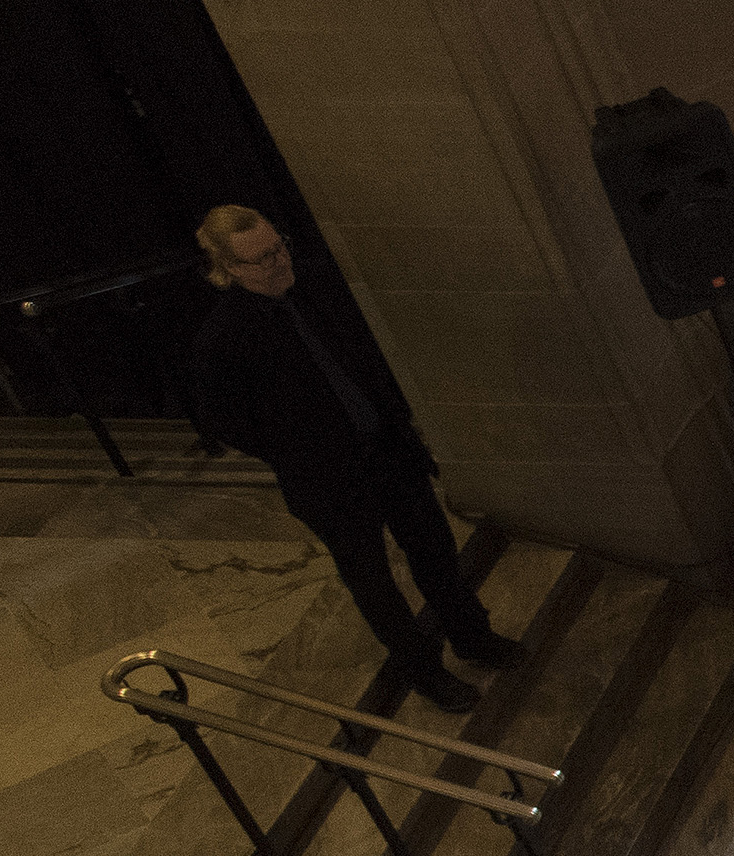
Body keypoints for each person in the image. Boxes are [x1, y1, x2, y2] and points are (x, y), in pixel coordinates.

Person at [180, 203, 516, 711]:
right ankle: (425, 673)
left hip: (388, 451)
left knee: (436, 552)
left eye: (278, 247)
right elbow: (222, 420)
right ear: (228, 269)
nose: (278, 262)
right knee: (374, 583)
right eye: (260, 259)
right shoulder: (221, 339)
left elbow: (369, 357)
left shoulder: (318, 291)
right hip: (328, 481)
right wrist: (295, 448)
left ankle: (473, 637)